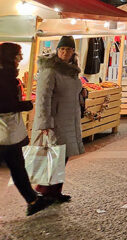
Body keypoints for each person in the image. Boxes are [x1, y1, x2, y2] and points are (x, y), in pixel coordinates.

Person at [31, 35, 85, 202]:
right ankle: (42, 190)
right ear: (57, 50)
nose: (65, 52)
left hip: (69, 118)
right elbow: (43, 98)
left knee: (62, 156)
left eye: (68, 49)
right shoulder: (50, 70)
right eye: (62, 49)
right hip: (55, 120)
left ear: (73, 52)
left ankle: (55, 191)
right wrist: (44, 122)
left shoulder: (72, 71)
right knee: (53, 156)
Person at [0, 43, 52, 215]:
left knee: (18, 165)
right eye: (18, 55)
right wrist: (25, 105)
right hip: (5, 130)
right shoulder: (4, 76)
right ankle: (32, 199)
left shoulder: (7, 74)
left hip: (9, 129)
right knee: (16, 165)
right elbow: (5, 104)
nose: (21, 58)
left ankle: (33, 198)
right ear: (10, 57)